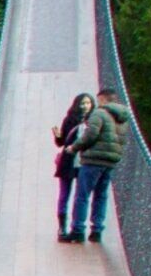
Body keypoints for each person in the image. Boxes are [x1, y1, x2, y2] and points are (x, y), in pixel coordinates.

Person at [68, 93, 127, 242]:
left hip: (93, 160)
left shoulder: (99, 113)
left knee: (82, 195)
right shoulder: (123, 117)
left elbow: (90, 134)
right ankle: (97, 230)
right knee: (101, 195)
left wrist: (74, 148)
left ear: (103, 98)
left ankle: (78, 230)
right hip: (110, 162)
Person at [53, 92, 92, 239]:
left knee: (80, 195)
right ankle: (62, 227)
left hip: (84, 162)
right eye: (82, 103)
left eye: (88, 103)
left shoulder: (94, 120)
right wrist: (57, 136)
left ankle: (77, 227)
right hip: (68, 161)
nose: (85, 106)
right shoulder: (69, 119)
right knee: (64, 194)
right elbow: (61, 142)